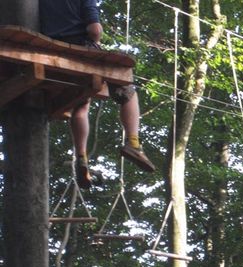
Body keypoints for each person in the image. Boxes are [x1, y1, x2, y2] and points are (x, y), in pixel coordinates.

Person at [39, 0, 156, 189]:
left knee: (81, 103)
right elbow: (94, 30)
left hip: (52, 52)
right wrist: (97, 42)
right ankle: (133, 143)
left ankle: (81, 157)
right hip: (81, 49)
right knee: (127, 90)